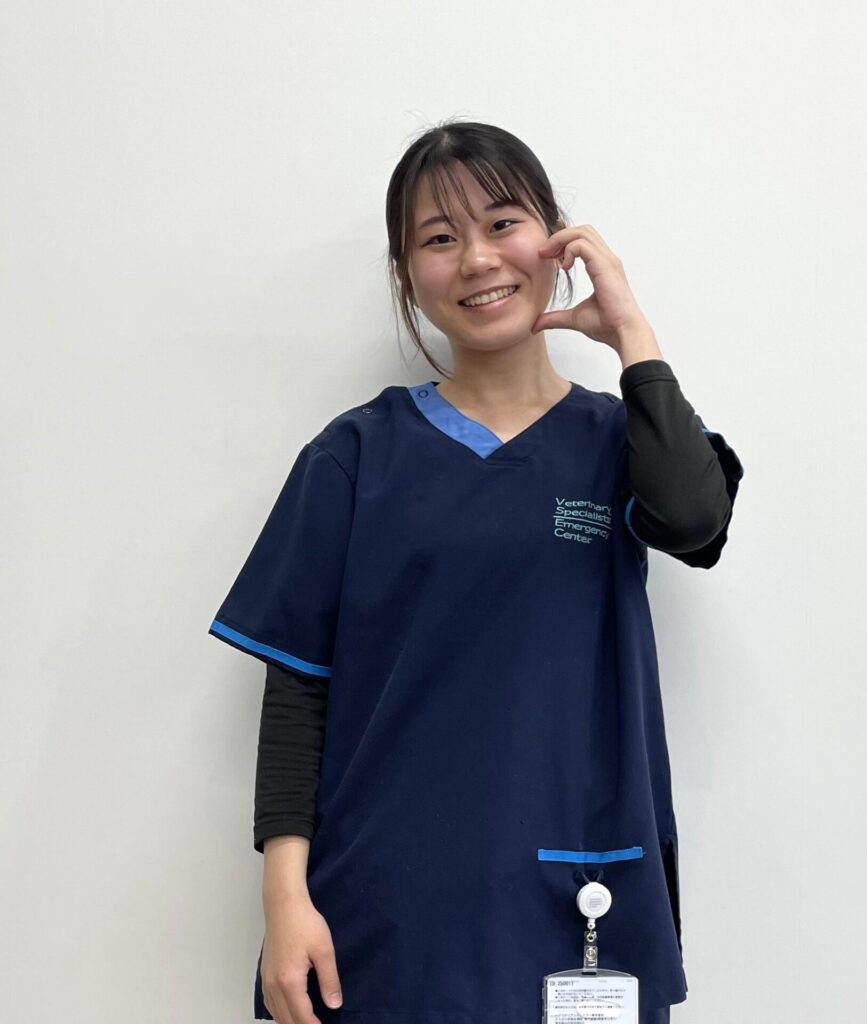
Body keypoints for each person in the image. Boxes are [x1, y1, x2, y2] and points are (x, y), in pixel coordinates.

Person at [209, 119, 744, 1024]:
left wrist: (632, 334)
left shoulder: (618, 443)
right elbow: (298, 693)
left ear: (557, 240)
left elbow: (695, 521)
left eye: (502, 224)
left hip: (575, 899)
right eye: (438, 238)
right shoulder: (356, 457)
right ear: (407, 276)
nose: (477, 259)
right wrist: (284, 898)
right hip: (385, 904)